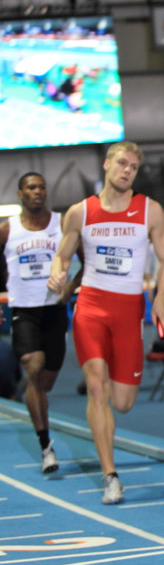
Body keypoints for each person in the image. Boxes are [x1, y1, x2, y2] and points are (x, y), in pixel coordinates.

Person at [47, 141, 164, 505]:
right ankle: (110, 476)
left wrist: (160, 299)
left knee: (123, 402)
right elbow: (63, 256)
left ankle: (110, 468)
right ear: (106, 165)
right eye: (122, 163)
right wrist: (57, 275)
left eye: (133, 166)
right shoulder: (80, 212)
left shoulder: (150, 210)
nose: (127, 170)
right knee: (97, 387)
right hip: (91, 306)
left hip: (128, 311)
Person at [0, 172, 76, 474]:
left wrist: (70, 288)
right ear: (20, 194)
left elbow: (86, 259)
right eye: (31, 187)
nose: (38, 192)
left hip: (54, 311)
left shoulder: (62, 224)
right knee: (33, 364)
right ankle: (46, 446)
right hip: (24, 310)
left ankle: (33, 395)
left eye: (42, 187)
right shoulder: (8, 230)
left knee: (45, 381)